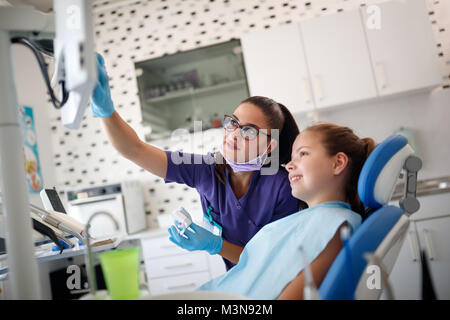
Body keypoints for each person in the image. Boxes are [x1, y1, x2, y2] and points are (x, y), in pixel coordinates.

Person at [90, 54, 302, 270]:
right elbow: (135, 150)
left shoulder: (283, 187)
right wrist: (106, 112)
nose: (234, 134)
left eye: (248, 130)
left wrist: (216, 245)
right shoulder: (207, 170)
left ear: (269, 146)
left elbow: (272, 260)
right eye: (233, 122)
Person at [169, 122, 376, 299]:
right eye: (292, 157)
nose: (289, 166)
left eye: (303, 154)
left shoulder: (335, 224)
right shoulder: (311, 219)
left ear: (338, 163)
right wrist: (214, 244)